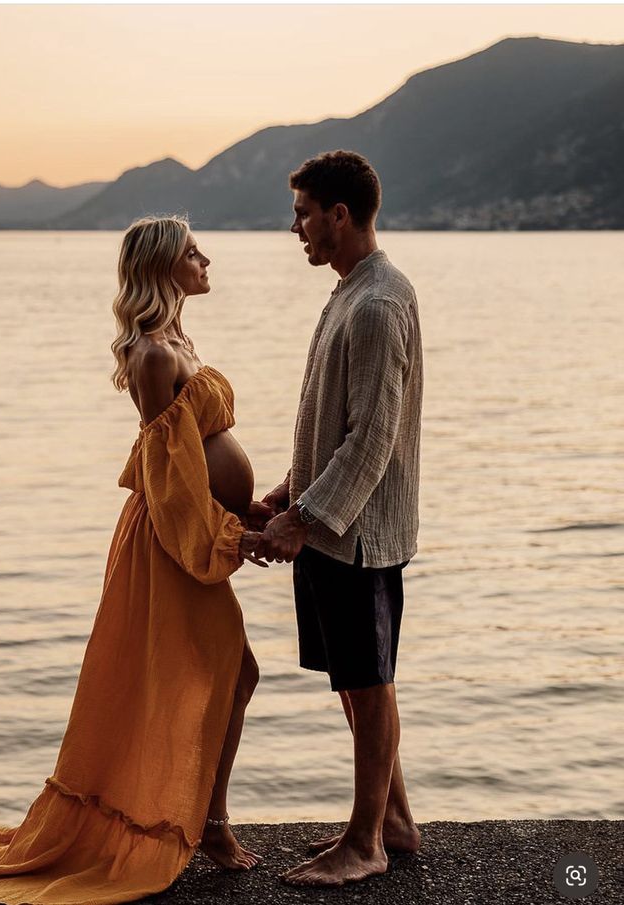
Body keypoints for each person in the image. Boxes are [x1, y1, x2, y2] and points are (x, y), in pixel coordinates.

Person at [0, 216, 273, 905]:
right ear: (162, 267)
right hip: (170, 540)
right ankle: (208, 822)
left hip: (194, 525)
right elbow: (167, 472)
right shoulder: (151, 355)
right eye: (191, 252)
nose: (205, 259)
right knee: (228, 669)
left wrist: (246, 511)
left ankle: (206, 818)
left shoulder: (178, 341)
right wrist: (231, 537)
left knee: (229, 671)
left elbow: (199, 458)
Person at [258, 150, 424, 887]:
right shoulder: (350, 291)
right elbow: (334, 418)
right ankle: (391, 819)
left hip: (357, 531)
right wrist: (288, 490)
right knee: (352, 679)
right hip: (331, 522)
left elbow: (373, 435)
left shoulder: (378, 301)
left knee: (369, 677)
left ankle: (366, 843)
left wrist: (305, 519)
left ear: (339, 214)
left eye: (301, 213)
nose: (293, 227)